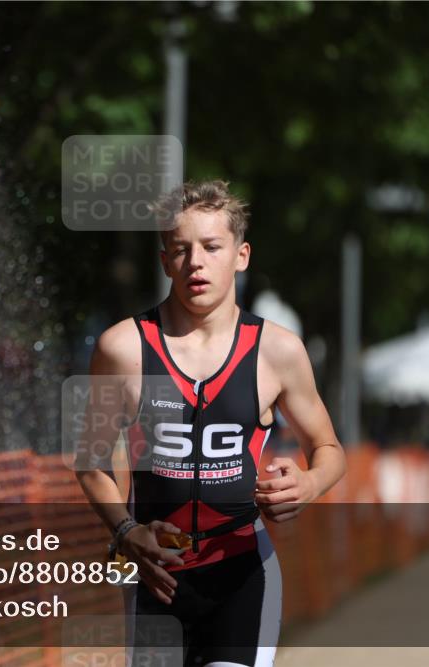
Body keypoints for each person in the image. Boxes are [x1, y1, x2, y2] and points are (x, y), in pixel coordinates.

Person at [74, 180, 346, 667]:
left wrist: (308, 483)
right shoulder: (123, 349)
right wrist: (126, 532)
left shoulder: (277, 351)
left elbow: (329, 448)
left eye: (211, 247)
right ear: (164, 262)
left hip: (242, 571)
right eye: (180, 249)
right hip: (156, 570)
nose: (195, 262)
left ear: (241, 256)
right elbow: (90, 462)